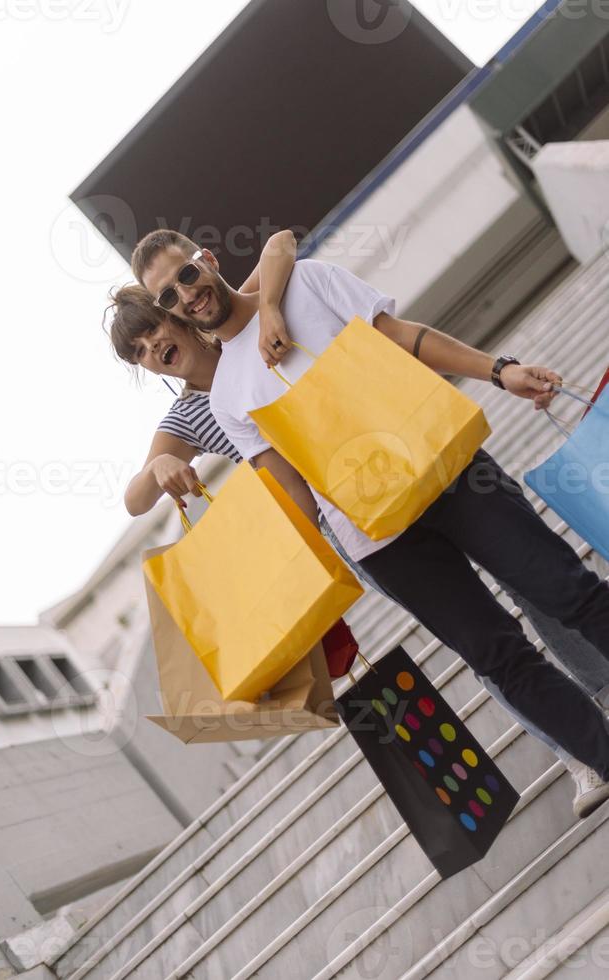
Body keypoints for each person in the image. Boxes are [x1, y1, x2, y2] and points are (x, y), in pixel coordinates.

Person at [107, 235, 609, 818]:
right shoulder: (218, 402)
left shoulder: (302, 284)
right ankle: (594, 756)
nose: (186, 295)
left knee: (566, 591)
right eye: (168, 294)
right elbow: (291, 487)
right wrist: (289, 595)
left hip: (446, 471)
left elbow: (392, 332)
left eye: (188, 275)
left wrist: (500, 370)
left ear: (208, 261)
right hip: (376, 539)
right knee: (498, 657)